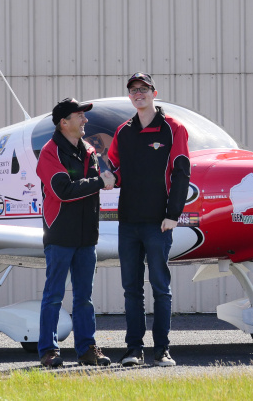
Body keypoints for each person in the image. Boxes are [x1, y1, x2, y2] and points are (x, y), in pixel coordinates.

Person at [106, 73, 191, 367]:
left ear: (155, 93)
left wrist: (172, 215)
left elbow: (182, 173)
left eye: (143, 89)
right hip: (128, 222)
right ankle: (133, 350)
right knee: (131, 289)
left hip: (159, 223)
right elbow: (116, 172)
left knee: (160, 288)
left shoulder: (173, 129)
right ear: (129, 96)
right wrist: (107, 178)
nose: (138, 94)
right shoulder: (123, 132)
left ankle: (162, 349)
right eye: (133, 90)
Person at [35, 97, 116, 368]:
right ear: (63, 122)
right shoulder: (49, 153)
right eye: (79, 115)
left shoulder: (89, 151)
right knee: (54, 296)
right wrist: (99, 181)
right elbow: (63, 190)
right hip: (60, 235)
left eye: (84, 115)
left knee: (84, 297)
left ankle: (87, 349)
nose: (85, 120)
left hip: (86, 236)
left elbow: (94, 184)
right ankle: (49, 351)